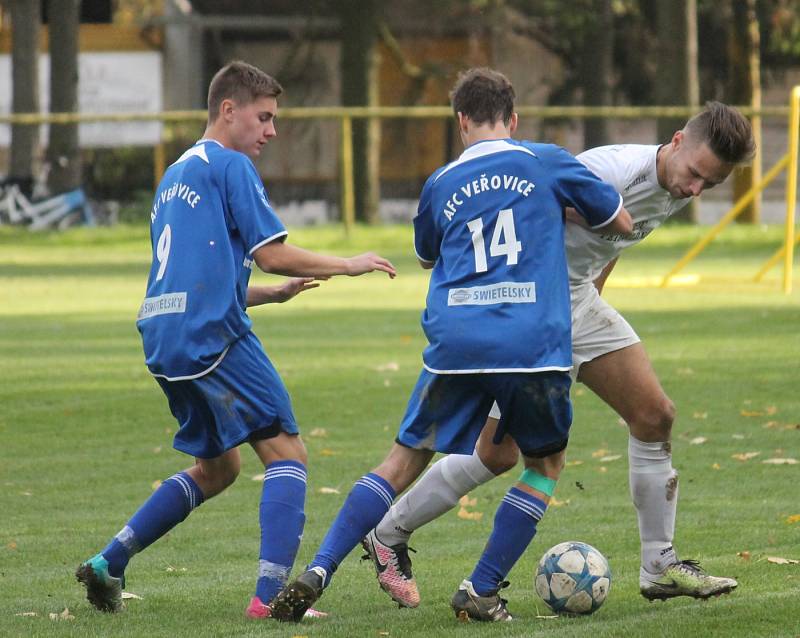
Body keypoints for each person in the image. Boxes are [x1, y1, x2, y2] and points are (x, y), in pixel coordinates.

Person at [268, 67, 632, 623]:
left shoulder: (440, 183)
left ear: (461, 122)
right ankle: (480, 590)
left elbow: (429, 256)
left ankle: (319, 568)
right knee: (545, 461)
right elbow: (620, 221)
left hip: (457, 339)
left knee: (401, 461)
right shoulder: (547, 161)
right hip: (532, 341)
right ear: (513, 119)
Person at [363, 101, 756, 608]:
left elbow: (609, 246)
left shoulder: (679, 184)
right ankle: (389, 533)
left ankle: (659, 564)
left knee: (654, 415)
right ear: (678, 140)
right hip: (532, 311)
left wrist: (596, 301)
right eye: (697, 174)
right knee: (496, 455)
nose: (697, 189)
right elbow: (535, 209)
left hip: (578, 304)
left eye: (712, 184)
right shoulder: (608, 170)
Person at [75, 60, 396, 619]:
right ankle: (269, 600)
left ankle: (109, 562)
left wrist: (271, 295)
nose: (271, 131)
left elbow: (198, 277)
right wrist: (348, 263)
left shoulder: (174, 175)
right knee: (286, 453)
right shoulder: (231, 166)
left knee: (218, 469)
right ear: (230, 110)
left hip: (163, 336)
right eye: (264, 117)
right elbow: (270, 252)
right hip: (211, 339)